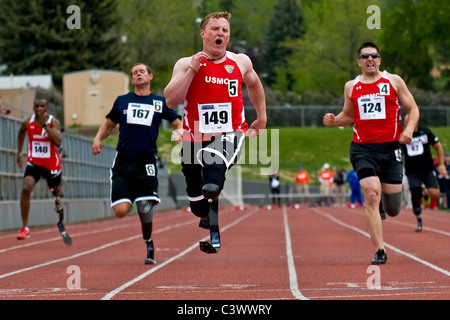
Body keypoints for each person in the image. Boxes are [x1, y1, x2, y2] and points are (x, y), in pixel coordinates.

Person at [164, 11, 266, 251]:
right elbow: (170, 101)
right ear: (203, 33)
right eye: (215, 29)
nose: (220, 33)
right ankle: (208, 215)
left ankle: (213, 201)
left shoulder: (240, 62)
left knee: (212, 174)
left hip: (230, 132)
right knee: (197, 204)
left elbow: (255, 84)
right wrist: (192, 70)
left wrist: (261, 117)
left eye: (225, 30)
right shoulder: (185, 63)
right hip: (194, 137)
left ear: (228, 36)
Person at [323, 42, 420, 265]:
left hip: (391, 148)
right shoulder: (351, 86)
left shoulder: (393, 81)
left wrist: (408, 129)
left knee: (394, 209)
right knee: (371, 194)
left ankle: (384, 207)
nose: (369, 59)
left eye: (373, 56)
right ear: (359, 62)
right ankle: (380, 250)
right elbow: (348, 116)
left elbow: (413, 109)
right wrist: (334, 120)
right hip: (363, 149)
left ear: (379, 59)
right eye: (365, 56)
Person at [92, 62, 182, 265]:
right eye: (134, 73)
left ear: (150, 76)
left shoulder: (159, 102)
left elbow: (177, 122)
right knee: (121, 211)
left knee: (143, 205)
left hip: (146, 161)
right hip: (123, 161)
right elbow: (108, 125)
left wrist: (180, 132)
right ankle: (132, 194)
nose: (138, 74)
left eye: (141, 71)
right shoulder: (122, 101)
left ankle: (148, 241)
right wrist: (98, 139)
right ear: (132, 80)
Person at [16, 98, 63, 240]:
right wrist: (19, 153)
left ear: (47, 107)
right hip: (34, 163)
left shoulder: (53, 122)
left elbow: (58, 141)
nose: (39, 109)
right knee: (25, 189)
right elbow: (21, 133)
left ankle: (57, 197)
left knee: (54, 190)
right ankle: (25, 227)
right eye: (36, 106)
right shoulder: (27, 122)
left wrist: (45, 127)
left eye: (42, 106)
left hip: (51, 165)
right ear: (33, 107)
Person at [402, 114, 447, 231]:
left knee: (435, 193)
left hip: (427, 169)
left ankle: (425, 192)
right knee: (415, 197)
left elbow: (438, 147)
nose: (408, 124)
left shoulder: (425, 132)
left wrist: (441, 165)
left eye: (410, 121)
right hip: (412, 171)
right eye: (406, 122)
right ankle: (418, 219)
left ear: (415, 122)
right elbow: (396, 152)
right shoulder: (402, 136)